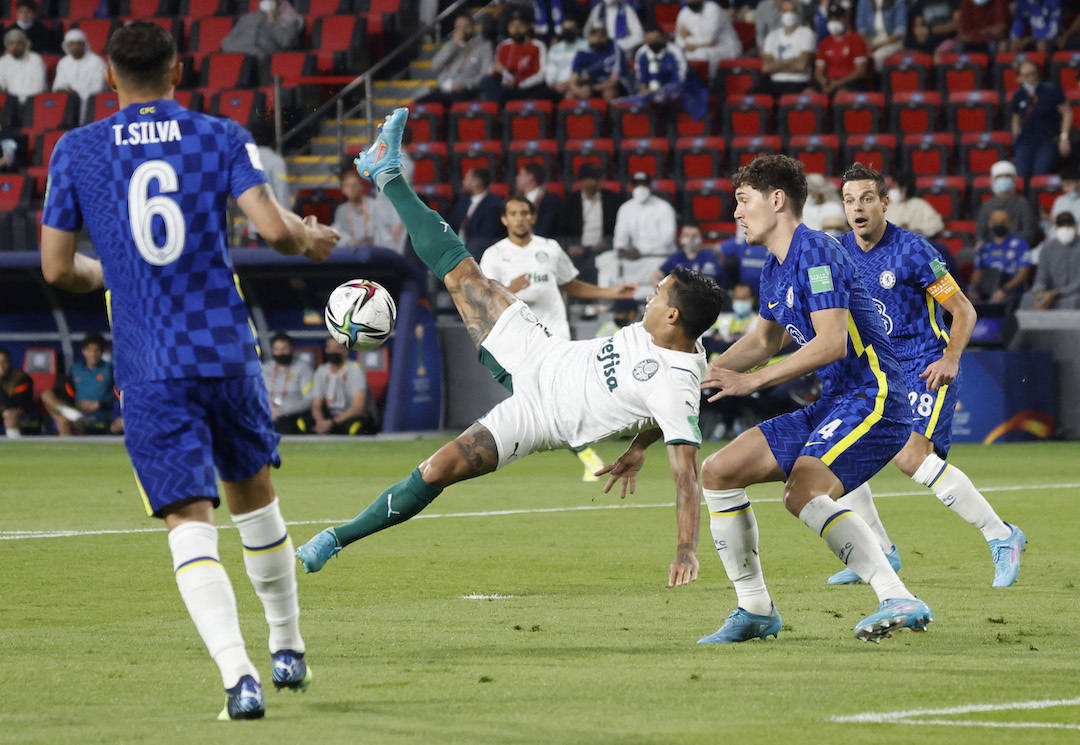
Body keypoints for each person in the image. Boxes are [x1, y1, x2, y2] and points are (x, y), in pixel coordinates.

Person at [299, 109, 725, 612]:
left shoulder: (677, 380)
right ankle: (386, 170)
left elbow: (685, 473)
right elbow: (674, 409)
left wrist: (684, 549)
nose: (649, 297)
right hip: (540, 350)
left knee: (438, 469)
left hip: (540, 418)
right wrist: (638, 445)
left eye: (658, 295)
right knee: (463, 273)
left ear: (673, 315)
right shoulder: (682, 349)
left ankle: (336, 538)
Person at [40, 21, 339, 719]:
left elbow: (56, 267)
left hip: (149, 360)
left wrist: (105, 269)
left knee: (189, 520)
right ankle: (288, 645)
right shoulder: (220, 134)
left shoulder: (76, 148)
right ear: (179, 70)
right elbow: (271, 229)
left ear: (109, 79)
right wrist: (310, 238)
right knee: (255, 496)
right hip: (224, 348)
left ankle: (239, 677)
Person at [695, 154, 931, 644]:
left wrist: (751, 382)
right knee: (718, 471)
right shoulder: (775, 268)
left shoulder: (817, 250)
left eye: (743, 200)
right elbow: (762, 342)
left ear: (776, 200)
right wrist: (702, 375)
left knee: (803, 490)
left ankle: (896, 595)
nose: (735, 212)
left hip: (876, 396)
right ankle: (756, 609)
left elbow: (831, 343)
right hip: (836, 399)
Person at [829, 162, 1025, 589]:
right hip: (876, 374)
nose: (857, 208)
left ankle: (1003, 536)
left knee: (910, 458)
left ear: (885, 203)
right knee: (837, 457)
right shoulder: (839, 252)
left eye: (866, 198)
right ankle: (880, 550)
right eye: (849, 200)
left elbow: (963, 311)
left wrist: (951, 360)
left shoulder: (914, 252)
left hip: (923, 367)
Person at [480, 195, 636, 480]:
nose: (519, 218)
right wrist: (509, 288)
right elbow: (486, 300)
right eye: (513, 213)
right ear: (504, 219)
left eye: (525, 213)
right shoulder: (494, 255)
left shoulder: (549, 249)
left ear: (533, 217)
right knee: (553, 405)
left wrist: (611, 293)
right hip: (521, 344)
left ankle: (592, 457)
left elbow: (571, 285)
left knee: (561, 401)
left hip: (557, 337)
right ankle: (590, 452)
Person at [601, 172, 677, 295]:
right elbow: (620, 236)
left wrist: (640, 250)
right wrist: (622, 249)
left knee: (658, 265)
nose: (641, 188)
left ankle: (652, 299)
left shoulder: (664, 207)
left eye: (644, 185)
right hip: (633, 257)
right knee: (605, 260)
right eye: (637, 185)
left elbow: (668, 239)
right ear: (632, 187)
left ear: (650, 187)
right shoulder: (626, 208)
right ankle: (607, 301)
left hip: (657, 256)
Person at [40, 332, 114, 435]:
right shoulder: (76, 369)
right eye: (89, 350)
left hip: (98, 413)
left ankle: (73, 419)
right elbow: (67, 392)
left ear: (101, 352)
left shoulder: (110, 368)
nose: (93, 354)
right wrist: (76, 404)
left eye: (96, 350)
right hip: (78, 409)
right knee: (46, 394)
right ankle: (73, 414)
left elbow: (117, 394)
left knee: (62, 420)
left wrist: (100, 404)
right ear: (83, 351)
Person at [1011, 59, 1072, 183]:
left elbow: (1067, 112)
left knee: (1040, 175)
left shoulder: (1051, 90)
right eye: (1027, 75)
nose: (1031, 77)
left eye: (1033, 73)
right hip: (1025, 141)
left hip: (1047, 139)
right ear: (1019, 78)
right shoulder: (1018, 95)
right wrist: (1016, 135)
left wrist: (1064, 137)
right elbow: (1015, 117)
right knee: (1021, 176)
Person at [560, 162, 620, 283]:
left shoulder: (612, 200)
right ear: (581, 182)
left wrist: (608, 241)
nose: (593, 183)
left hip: (603, 248)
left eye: (596, 180)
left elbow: (618, 228)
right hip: (577, 250)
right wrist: (570, 246)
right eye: (589, 180)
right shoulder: (570, 201)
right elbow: (562, 230)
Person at [421, 13, 493, 106]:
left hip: (466, 90)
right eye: (458, 27)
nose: (462, 31)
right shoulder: (451, 45)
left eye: (465, 27)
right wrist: (453, 45)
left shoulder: (483, 47)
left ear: (472, 28)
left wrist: (466, 84)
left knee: (455, 101)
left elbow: (485, 75)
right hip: (444, 89)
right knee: (418, 106)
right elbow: (435, 65)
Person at [969, 208, 1034, 307]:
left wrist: (1003, 290)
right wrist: (973, 288)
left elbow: (1023, 275)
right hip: (986, 287)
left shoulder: (1020, 244)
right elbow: (977, 273)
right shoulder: (984, 246)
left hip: (1010, 290)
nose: (999, 224)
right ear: (990, 224)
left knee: (995, 303)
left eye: (1003, 221)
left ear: (1010, 223)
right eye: (995, 222)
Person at [480, 12, 549, 103]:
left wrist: (519, 83)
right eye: (512, 25)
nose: (516, 29)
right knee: (487, 81)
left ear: (528, 27)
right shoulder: (503, 45)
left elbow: (541, 74)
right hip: (506, 86)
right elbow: (494, 69)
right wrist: (497, 70)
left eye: (520, 25)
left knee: (541, 91)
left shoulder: (538, 45)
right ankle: (494, 115)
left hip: (527, 87)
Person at [310, 337, 372, 435]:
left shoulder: (355, 370)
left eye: (337, 348)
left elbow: (358, 407)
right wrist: (320, 422)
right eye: (329, 348)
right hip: (328, 418)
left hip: (350, 417)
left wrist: (331, 423)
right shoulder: (321, 371)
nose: (332, 352)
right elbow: (316, 405)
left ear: (346, 351)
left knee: (355, 428)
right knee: (304, 424)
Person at [332, 168, 404, 250]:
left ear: (361, 187)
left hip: (376, 251)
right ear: (343, 190)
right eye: (347, 186)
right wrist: (348, 241)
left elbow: (387, 231)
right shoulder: (341, 210)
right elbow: (336, 232)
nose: (351, 189)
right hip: (352, 253)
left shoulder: (375, 206)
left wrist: (374, 240)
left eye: (354, 186)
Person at [1023, 211, 1080, 310]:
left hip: (1071, 293)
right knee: (1028, 298)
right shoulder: (1048, 247)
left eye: (1069, 225)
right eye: (1062, 225)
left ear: (1076, 226)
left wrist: (1055, 293)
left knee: (1072, 302)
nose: (1065, 228)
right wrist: (1040, 294)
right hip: (1047, 293)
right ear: (1056, 227)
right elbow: (1041, 278)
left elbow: (1078, 283)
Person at [759, 1, 816, 97]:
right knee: (752, 96)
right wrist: (792, 61)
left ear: (798, 14)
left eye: (792, 11)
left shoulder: (806, 33)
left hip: (799, 82)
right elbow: (766, 67)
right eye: (785, 11)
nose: (789, 14)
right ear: (780, 13)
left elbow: (801, 66)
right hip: (775, 82)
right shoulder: (772, 35)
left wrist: (777, 65)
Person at [975, 160, 1038, 246]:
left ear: (1014, 179)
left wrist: (1008, 244)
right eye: (999, 177)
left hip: (1017, 249)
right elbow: (980, 234)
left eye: (1007, 176)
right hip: (991, 249)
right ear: (993, 180)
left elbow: (1029, 233)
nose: (1003, 179)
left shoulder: (1023, 204)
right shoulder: (986, 206)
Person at [447, 166, 504, 260]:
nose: (463, 182)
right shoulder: (463, 200)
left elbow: (487, 235)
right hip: (456, 248)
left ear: (477, 182)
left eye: (467, 178)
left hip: (477, 252)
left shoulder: (494, 204)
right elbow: (451, 225)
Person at [674, 0, 741, 81]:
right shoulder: (684, 13)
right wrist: (687, 43)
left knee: (701, 54)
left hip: (725, 48)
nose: (691, 1)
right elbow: (678, 39)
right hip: (700, 48)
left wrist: (687, 38)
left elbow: (709, 39)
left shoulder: (713, 9)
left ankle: (708, 84)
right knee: (682, 56)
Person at [261, 332, 314, 434]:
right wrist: (269, 409)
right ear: (272, 351)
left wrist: (282, 411)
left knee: (285, 425)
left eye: (284, 349)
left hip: (292, 416)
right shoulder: (264, 369)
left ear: (291, 349)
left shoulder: (304, 368)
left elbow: (309, 400)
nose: (281, 353)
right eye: (277, 349)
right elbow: (257, 394)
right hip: (265, 413)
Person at [53, 29, 107, 123]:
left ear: (84, 45)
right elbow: (57, 86)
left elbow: (99, 88)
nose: (75, 47)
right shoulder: (63, 62)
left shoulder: (97, 62)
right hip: (68, 106)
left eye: (78, 43)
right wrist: (65, 91)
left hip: (90, 104)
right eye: (71, 44)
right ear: (67, 46)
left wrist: (76, 92)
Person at [815, 4, 869, 95]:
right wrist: (823, 82)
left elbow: (860, 71)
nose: (834, 22)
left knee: (841, 95)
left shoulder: (856, 40)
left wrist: (837, 83)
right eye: (831, 19)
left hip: (850, 82)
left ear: (845, 19)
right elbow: (818, 71)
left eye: (838, 19)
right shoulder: (824, 43)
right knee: (808, 94)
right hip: (830, 80)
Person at [221, 0, 303, 60]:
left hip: (262, 59)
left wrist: (272, 20)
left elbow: (285, 42)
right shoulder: (248, 17)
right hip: (238, 54)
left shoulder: (291, 19)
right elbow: (226, 42)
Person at [567, 23, 627, 101]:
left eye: (600, 36)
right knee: (570, 95)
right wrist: (578, 90)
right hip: (590, 83)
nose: (597, 39)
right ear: (588, 37)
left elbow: (614, 81)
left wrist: (593, 88)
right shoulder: (582, 52)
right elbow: (573, 80)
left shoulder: (615, 49)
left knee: (609, 93)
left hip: (611, 84)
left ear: (606, 37)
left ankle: (612, 113)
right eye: (593, 34)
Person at [651, 223, 724, 286]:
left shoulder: (710, 256)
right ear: (680, 239)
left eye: (694, 236)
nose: (690, 239)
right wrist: (665, 291)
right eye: (686, 236)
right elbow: (654, 278)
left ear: (701, 238)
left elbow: (720, 281)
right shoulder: (676, 257)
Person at [886, 170, 944, 239]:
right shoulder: (888, 207)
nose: (891, 190)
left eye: (894, 187)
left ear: (904, 189)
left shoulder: (920, 204)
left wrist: (912, 230)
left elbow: (937, 224)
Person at [514, 162, 560, 239]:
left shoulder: (549, 200)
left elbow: (545, 228)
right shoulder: (514, 200)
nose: (517, 177)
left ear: (530, 177)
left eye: (521, 174)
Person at [856, 0, 907, 69]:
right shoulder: (864, 1)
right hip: (870, 40)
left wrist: (877, 46)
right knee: (859, 56)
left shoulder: (898, 2)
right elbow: (861, 27)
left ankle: (879, 78)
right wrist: (867, 44)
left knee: (877, 56)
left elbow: (900, 31)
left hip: (890, 41)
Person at [544, 17, 587, 98]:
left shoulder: (585, 46)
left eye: (571, 29)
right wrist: (555, 85)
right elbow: (550, 74)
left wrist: (569, 83)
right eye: (565, 29)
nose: (568, 32)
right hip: (557, 87)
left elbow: (587, 72)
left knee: (571, 94)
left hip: (579, 83)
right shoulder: (555, 49)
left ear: (577, 30)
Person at [0, 28, 46, 103]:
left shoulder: (36, 59)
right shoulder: (3, 61)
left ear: (25, 44)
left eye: (18, 43)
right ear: (7, 46)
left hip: (34, 101)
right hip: (10, 102)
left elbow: (39, 87)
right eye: (11, 44)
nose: (15, 47)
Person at [0, 347, 33, 438]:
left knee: (10, 414)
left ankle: (15, 445)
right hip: (3, 408)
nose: (1, 366)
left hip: (21, 410)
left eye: (4, 362)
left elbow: (14, 405)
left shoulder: (21, 378)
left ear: (9, 362)